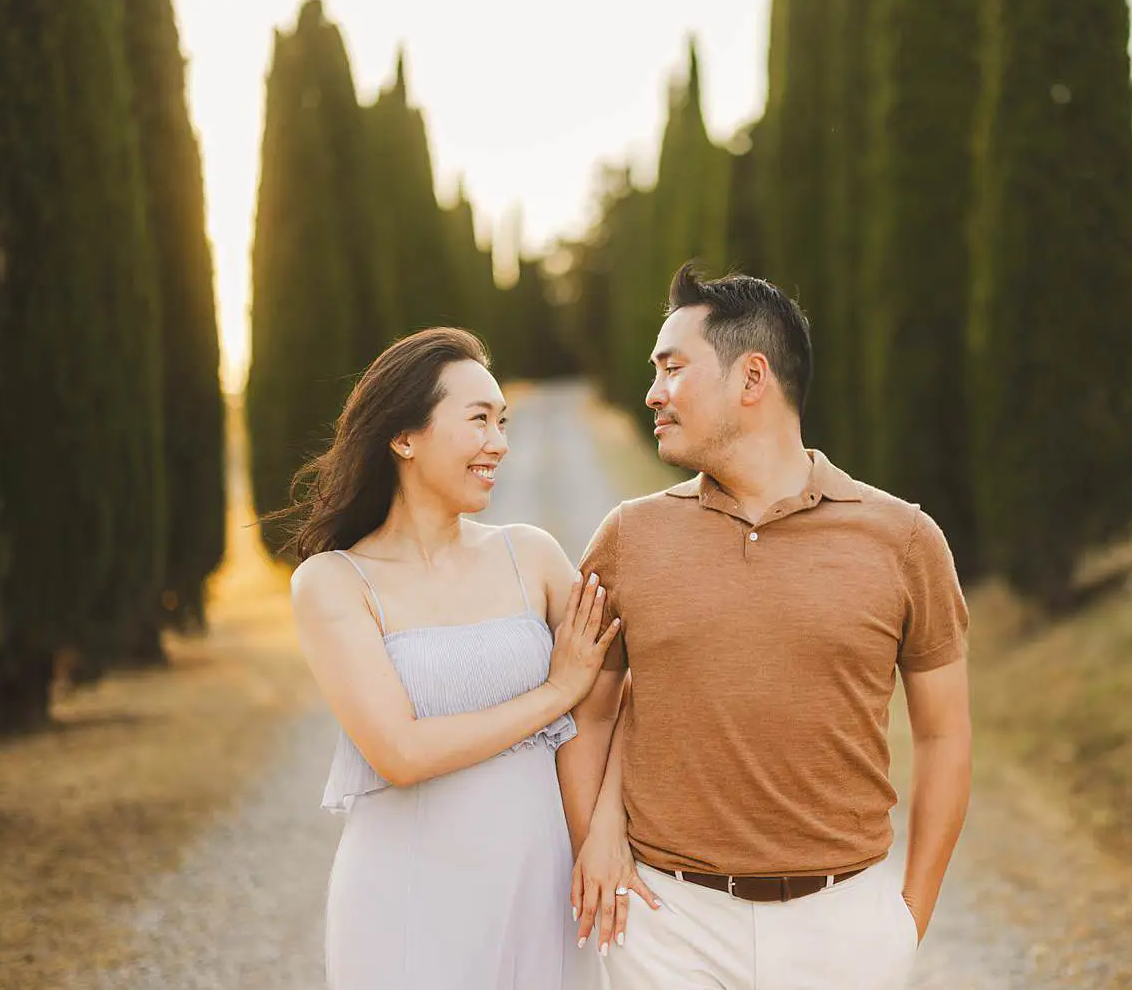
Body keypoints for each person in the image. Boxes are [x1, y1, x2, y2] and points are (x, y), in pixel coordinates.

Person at [557, 264, 973, 990]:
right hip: (666, 924)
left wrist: (908, 916)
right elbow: (587, 714)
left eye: (672, 368)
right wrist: (595, 838)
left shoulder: (905, 539)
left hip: (842, 929)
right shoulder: (629, 537)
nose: (652, 391)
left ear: (752, 378)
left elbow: (944, 734)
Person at [286, 327, 617, 990]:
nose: (499, 442)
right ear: (404, 437)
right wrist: (556, 693)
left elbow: (613, 705)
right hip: (406, 899)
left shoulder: (534, 555)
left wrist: (602, 834)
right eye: (478, 419)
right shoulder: (334, 581)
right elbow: (400, 753)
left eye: (502, 421)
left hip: (542, 887)